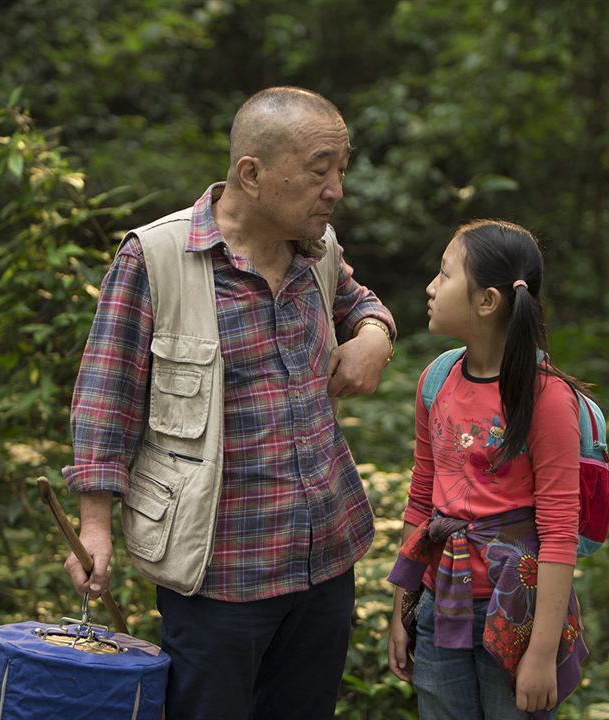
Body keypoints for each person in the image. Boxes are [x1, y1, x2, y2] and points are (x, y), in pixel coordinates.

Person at [61, 86, 396, 720]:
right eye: (321, 170)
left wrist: (375, 338)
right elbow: (106, 398)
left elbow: (365, 306)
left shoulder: (317, 252)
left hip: (324, 558)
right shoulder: (155, 259)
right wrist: (95, 525)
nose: (336, 190)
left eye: (342, 171)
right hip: (217, 574)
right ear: (252, 172)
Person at [386, 220, 588, 719]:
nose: (431, 288)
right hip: (440, 603)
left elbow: (559, 532)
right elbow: (421, 499)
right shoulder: (438, 381)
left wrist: (541, 656)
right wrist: (404, 609)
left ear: (487, 301)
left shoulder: (546, 398)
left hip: (516, 613)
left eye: (444, 274)